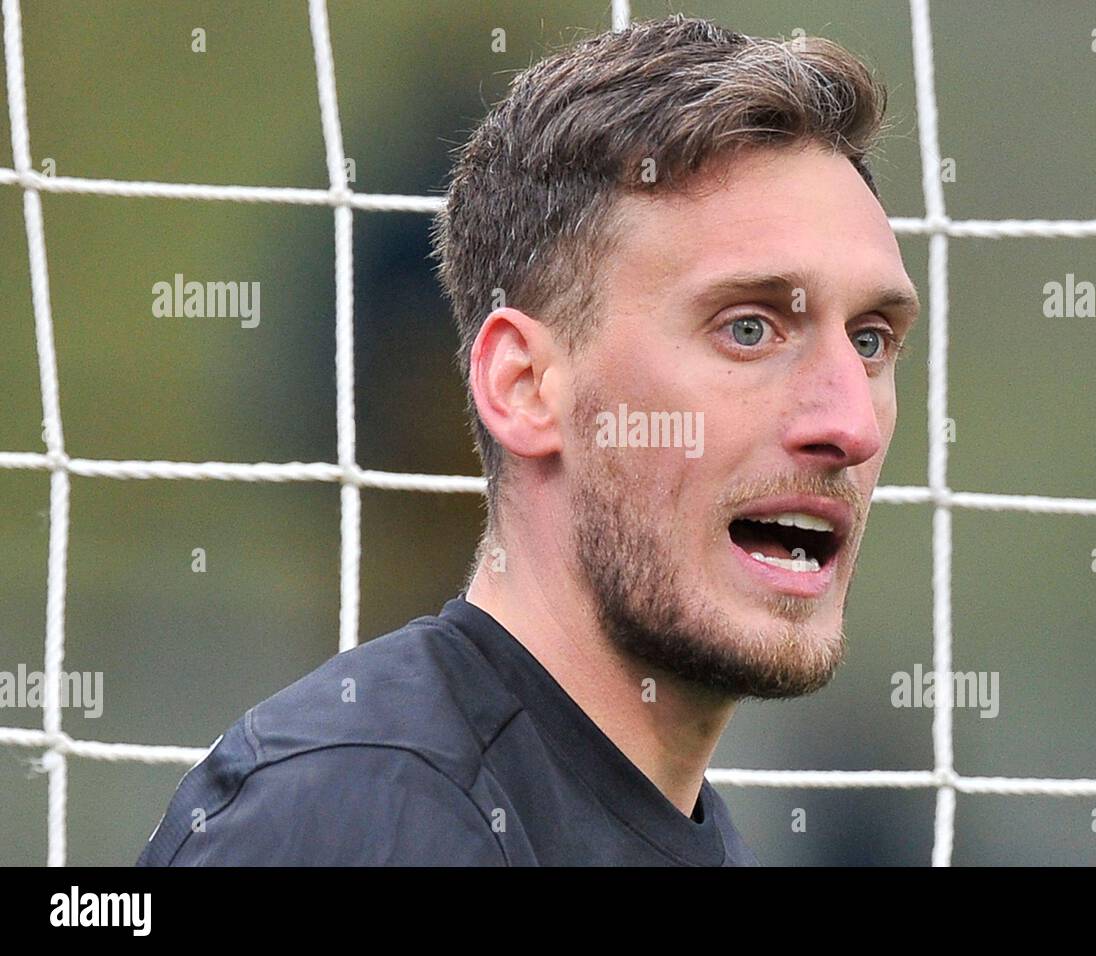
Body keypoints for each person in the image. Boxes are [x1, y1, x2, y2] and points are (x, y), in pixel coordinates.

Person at [137, 12, 918, 867]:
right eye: (747, 330)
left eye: (872, 340)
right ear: (523, 388)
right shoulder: (359, 814)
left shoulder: (663, 821)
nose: (848, 421)